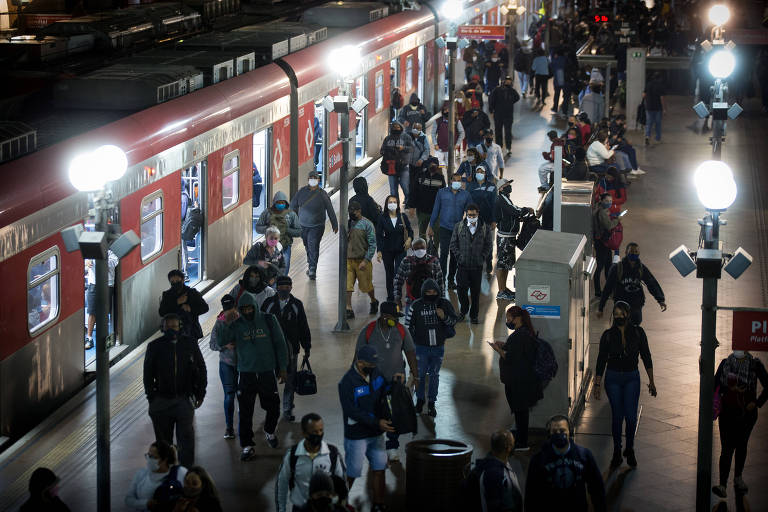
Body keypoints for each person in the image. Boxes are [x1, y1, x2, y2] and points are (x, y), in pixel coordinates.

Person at [219, 293, 288, 460]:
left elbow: (280, 343)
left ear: (255, 307)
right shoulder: (236, 325)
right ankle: (247, 445)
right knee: (245, 411)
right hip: (246, 374)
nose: (248, 311)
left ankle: (270, 431)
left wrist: (283, 368)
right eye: (244, 309)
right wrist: (224, 322)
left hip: (266, 372)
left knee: (273, 406)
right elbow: (222, 341)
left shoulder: (269, 320)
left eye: (250, 308)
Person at [592, 301, 656, 468]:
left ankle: (629, 448)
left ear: (628, 315)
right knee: (617, 416)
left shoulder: (638, 333)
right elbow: (601, 360)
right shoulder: (607, 335)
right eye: (616, 314)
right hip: (613, 377)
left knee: (631, 416)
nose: (619, 317)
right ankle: (617, 451)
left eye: (622, 314)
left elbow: (646, 356)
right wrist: (597, 384)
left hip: (631, 377)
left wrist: (652, 381)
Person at [355, 301, 418, 461]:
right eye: (393, 318)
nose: (396, 321)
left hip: (396, 382)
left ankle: (392, 446)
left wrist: (415, 375)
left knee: (393, 414)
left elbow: (410, 352)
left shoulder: (401, 330)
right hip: (374, 383)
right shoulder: (368, 332)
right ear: (384, 316)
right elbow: (358, 358)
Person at [143, 313, 206, 468]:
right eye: (168, 326)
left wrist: (200, 393)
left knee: (186, 439)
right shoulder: (155, 346)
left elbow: (201, 368)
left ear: (180, 327)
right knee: (164, 443)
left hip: (184, 400)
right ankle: (166, 472)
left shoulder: (190, 344)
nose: (172, 329)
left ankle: (185, 472)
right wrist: (152, 397)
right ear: (163, 328)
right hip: (161, 401)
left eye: (174, 326)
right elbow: (147, 374)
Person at [338, 345, 394, 512]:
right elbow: (352, 412)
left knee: (379, 469)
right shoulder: (347, 383)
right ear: (360, 362)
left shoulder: (376, 373)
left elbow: (385, 388)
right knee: (352, 472)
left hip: (376, 434)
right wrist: (377, 422)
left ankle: (378, 504)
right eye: (371, 363)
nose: (374, 366)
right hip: (357, 436)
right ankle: (340, 504)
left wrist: (394, 384)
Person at [711, 350, 768, 498]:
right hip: (728, 413)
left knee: (741, 445)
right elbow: (715, 386)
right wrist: (730, 389)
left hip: (746, 415)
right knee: (728, 448)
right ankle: (723, 484)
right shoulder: (726, 363)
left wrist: (756, 403)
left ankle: (737, 478)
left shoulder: (754, 365)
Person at [525, 415, 607, 511]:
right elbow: (531, 493)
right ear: (549, 434)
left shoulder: (584, 456)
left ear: (570, 432)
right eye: (554, 432)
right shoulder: (538, 460)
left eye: (562, 431)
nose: (559, 434)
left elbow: (596, 488)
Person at [489, 306, 542, 451]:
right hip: (523, 379)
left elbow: (511, 358)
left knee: (520, 412)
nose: (507, 321)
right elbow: (519, 352)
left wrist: (498, 350)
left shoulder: (519, 336)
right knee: (521, 411)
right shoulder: (525, 333)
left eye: (509, 318)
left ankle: (521, 443)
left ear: (517, 318)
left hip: (518, 381)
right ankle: (521, 439)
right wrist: (505, 345)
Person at [262, 275, 311, 422]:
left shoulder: (297, 305)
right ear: (276, 288)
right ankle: (271, 408)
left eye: (287, 287)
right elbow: (261, 325)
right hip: (271, 349)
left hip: (292, 349)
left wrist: (306, 347)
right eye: (281, 287)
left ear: (291, 287)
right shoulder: (268, 304)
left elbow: (303, 327)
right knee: (270, 380)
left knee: (290, 379)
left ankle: (287, 408)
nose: (284, 290)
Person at [276, 413, 346, 512]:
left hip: (326, 507)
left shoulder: (332, 453)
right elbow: (282, 484)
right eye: (314, 432)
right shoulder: (292, 455)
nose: (318, 434)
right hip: (300, 507)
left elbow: (342, 482)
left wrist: (341, 505)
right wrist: (281, 509)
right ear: (304, 433)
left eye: (321, 430)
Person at [408, 279, 457, 417]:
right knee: (420, 375)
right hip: (421, 347)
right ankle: (420, 400)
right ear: (423, 292)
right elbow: (408, 326)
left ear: (438, 291)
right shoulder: (416, 305)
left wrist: (444, 316)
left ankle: (431, 403)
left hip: (438, 347)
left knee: (434, 375)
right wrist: (410, 345)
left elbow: (454, 321)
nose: (431, 294)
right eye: (428, 292)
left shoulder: (444, 304)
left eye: (434, 291)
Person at [598, 243, 667, 325]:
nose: (634, 253)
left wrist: (660, 300)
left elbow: (651, 283)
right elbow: (607, 288)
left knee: (636, 324)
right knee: (619, 327)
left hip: (636, 304)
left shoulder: (641, 268)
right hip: (621, 303)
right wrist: (601, 308)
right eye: (631, 251)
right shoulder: (617, 268)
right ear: (626, 252)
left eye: (636, 251)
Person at [290, 171, 339, 280]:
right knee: (307, 245)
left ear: (318, 180)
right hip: (303, 226)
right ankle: (310, 262)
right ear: (308, 179)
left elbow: (330, 209)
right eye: (311, 177)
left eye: (315, 178)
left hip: (317, 226)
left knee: (313, 245)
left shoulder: (322, 194)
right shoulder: (301, 192)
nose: (312, 179)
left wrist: (334, 224)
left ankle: (312, 268)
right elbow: (293, 205)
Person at [427, 172, 472, 289]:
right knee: (444, 254)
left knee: (455, 256)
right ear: (451, 181)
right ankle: (440, 280)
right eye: (455, 180)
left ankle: (451, 280)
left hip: (458, 230)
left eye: (459, 180)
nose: (457, 182)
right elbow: (436, 210)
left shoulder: (466, 195)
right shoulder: (442, 193)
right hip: (444, 228)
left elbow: (470, 212)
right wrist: (431, 226)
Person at [450, 204, 493, 324]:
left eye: (473, 215)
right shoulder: (459, 226)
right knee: (461, 289)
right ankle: (464, 309)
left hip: (476, 267)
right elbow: (453, 244)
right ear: (466, 214)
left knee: (475, 292)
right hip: (463, 266)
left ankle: (474, 315)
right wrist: (459, 256)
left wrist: (482, 257)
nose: (471, 217)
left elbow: (488, 245)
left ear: (477, 214)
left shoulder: (485, 228)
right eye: (469, 215)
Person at [209, 294, 239, 439]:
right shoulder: (219, 324)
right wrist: (225, 346)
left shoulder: (243, 320)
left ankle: (244, 425)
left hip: (244, 364)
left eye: (231, 308)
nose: (229, 312)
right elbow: (212, 345)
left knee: (243, 395)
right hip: (226, 364)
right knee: (229, 395)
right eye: (227, 309)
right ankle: (229, 427)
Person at [125, 442, 187, 511]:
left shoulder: (180, 473)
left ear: (164, 459)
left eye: (152, 457)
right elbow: (128, 499)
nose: (148, 459)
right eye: (148, 455)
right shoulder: (141, 474)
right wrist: (145, 504)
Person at [494, 179, 529, 300]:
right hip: (505, 237)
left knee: (506, 263)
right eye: (507, 185)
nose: (509, 186)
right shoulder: (502, 199)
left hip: (509, 235)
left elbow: (511, 211)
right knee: (501, 264)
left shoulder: (506, 198)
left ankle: (504, 289)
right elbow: (514, 211)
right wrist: (526, 210)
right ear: (501, 188)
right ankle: (501, 291)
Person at [392, 237, 443, 321]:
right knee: (411, 326)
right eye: (417, 248)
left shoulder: (434, 261)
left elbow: (440, 282)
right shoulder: (406, 261)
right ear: (412, 249)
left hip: (430, 301)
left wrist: (441, 301)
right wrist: (397, 298)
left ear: (426, 247)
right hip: (412, 301)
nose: (420, 250)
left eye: (422, 248)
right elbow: (398, 280)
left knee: (428, 324)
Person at [376, 195, 413, 303]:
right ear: (387, 205)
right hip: (387, 250)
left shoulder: (403, 217)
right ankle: (390, 298)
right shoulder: (382, 218)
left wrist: (409, 239)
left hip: (401, 250)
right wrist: (379, 251)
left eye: (394, 202)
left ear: (397, 204)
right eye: (390, 202)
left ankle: (398, 297)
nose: (392, 204)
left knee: (398, 274)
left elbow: (410, 230)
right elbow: (379, 235)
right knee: (389, 274)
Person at [474, 431, 523, 512]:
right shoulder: (495, 476)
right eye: (513, 443)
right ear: (508, 448)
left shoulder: (499, 462)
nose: (514, 444)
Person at [255, 191, 302, 275]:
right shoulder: (267, 213)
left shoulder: (291, 214)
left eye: (282, 202)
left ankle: (280, 286)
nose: (280, 204)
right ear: (274, 203)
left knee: (283, 271)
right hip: (269, 249)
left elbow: (298, 232)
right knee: (270, 272)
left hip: (285, 247)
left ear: (286, 203)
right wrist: (269, 229)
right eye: (278, 202)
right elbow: (258, 228)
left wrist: (286, 229)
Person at [346, 201, 379, 319]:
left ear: (359, 211)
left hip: (362, 261)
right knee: (348, 285)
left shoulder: (367, 224)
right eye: (349, 211)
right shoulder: (348, 224)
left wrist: (366, 260)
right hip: (349, 260)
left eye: (353, 211)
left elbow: (372, 244)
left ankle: (373, 301)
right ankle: (348, 307)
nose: (351, 214)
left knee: (366, 286)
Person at [158, 269, 209, 341]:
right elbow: (162, 312)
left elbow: (205, 308)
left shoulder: (192, 293)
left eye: (177, 281)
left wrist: (190, 309)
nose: (175, 283)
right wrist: (176, 302)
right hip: (173, 332)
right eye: (172, 282)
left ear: (183, 280)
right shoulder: (167, 295)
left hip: (191, 331)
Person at [84, 250, 118, 349]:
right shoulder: (90, 251)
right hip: (93, 283)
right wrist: (87, 261)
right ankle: (89, 338)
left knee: (105, 312)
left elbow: (114, 262)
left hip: (107, 284)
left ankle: (104, 337)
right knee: (92, 311)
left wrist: (98, 261)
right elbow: (85, 261)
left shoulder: (110, 252)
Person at [467, 165, 497, 277]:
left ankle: (489, 263)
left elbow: (494, 204)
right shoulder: (471, 186)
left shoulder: (492, 186)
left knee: (488, 242)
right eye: (477, 172)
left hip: (488, 219)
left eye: (482, 172)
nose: (479, 173)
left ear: (485, 173)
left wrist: (494, 220)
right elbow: (468, 202)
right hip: (474, 219)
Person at [407, 159, 445, 245]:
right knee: (422, 233)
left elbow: (443, 195)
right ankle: (423, 249)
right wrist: (411, 206)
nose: (433, 166)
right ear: (428, 165)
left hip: (436, 211)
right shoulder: (420, 176)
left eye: (435, 164)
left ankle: (434, 250)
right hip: (422, 211)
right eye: (431, 164)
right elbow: (414, 191)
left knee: (436, 232)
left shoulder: (440, 178)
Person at [380, 121, 414, 203]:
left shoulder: (406, 137)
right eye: (394, 127)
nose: (396, 128)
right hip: (391, 167)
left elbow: (412, 149)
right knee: (393, 189)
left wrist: (403, 148)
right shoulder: (387, 138)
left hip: (403, 166)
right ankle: (396, 206)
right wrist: (386, 152)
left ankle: (408, 201)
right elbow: (382, 150)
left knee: (405, 185)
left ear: (401, 127)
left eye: (397, 127)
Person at [592, 193, 618, 297]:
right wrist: (617, 220)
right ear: (601, 200)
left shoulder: (598, 208)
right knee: (601, 267)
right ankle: (599, 291)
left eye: (610, 201)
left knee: (608, 265)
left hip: (601, 242)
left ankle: (608, 289)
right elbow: (609, 226)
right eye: (607, 201)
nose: (609, 203)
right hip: (602, 242)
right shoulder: (602, 212)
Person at [643, 72, 666, 145]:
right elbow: (662, 98)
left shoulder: (648, 84)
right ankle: (658, 138)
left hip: (649, 107)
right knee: (658, 123)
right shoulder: (660, 86)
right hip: (657, 107)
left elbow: (644, 95)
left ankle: (647, 136)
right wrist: (664, 108)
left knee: (648, 123)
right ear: (660, 78)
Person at [551, 48, 568, 113]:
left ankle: (555, 107)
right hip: (565, 80)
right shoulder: (565, 59)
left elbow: (551, 68)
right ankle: (564, 109)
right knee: (565, 95)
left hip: (557, 80)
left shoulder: (555, 60)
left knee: (556, 94)